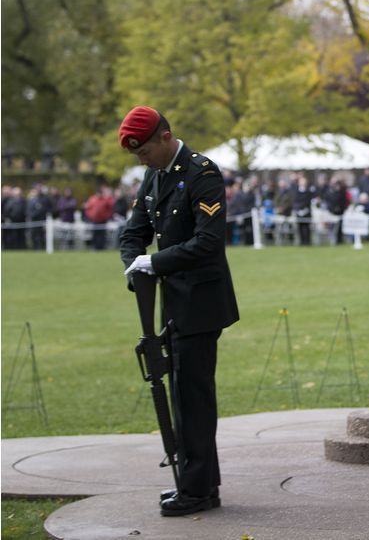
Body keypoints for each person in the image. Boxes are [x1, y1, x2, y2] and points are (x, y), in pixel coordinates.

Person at [118, 106, 240, 515]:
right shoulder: (155, 175)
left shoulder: (202, 173)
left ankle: (196, 491)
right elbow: (133, 231)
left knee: (192, 399)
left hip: (202, 303)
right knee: (184, 396)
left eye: (145, 150)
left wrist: (155, 262)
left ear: (165, 137)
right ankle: (202, 484)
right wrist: (135, 263)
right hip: (174, 300)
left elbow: (209, 241)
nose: (141, 159)